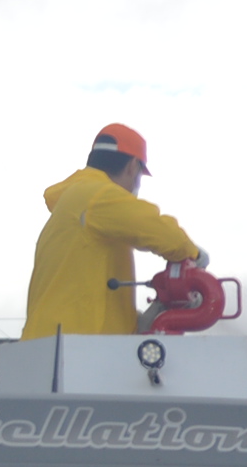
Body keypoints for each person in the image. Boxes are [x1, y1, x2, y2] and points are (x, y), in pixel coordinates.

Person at [20, 123, 206, 340]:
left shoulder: (75, 201)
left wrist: (137, 322)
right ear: (133, 167)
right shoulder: (99, 197)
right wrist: (196, 256)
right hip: (76, 345)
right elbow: (166, 236)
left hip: (52, 341)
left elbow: (84, 293)